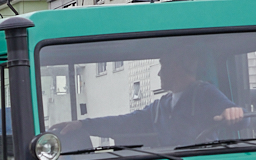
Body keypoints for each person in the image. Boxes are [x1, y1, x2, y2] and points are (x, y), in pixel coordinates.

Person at [58, 52, 245, 148]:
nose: (159, 72)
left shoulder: (204, 93)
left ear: (178, 67)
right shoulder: (159, 107)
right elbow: (123, 123)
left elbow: (233, 114)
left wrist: (233, 113)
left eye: (164, 66)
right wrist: (83, 125)